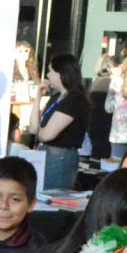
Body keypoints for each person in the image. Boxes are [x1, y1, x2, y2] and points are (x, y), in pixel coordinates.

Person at [35, 54, 90, 191]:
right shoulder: (56, 97)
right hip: (47, 154)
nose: (47, 75)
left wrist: (39, 130)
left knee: (52, 197)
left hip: (59, 158)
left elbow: (46, 135)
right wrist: (38, 96)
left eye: (50, 71)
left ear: (61, 73)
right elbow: (33, 128)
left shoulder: (74, 100)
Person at [10, 42, 40, 143]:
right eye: (20, 51)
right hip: (16, 106)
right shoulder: (11, 70)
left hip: (29, 106)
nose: (24, 53)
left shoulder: (32, 70)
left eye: (26, 51)